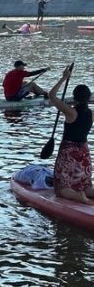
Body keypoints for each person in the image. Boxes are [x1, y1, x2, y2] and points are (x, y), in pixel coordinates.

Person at [49, 66, 94, 203]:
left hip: (68, 154)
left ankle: (79, 197)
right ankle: (86, 193)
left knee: (62, 188)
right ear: (88, 97)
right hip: (84, 152)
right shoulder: (91, 113)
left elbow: (51, 95)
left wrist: (64, 77)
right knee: (86, 185)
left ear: (74, 97)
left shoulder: (70, 112)